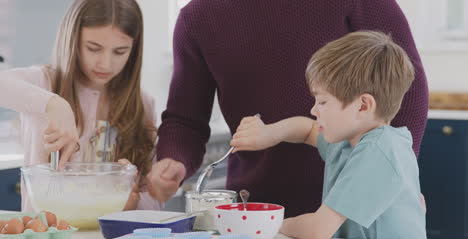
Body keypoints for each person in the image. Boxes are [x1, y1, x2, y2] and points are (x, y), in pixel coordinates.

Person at [150, 0, 428, 218]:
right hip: (255, 206)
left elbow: (407, 87)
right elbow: (185, 120)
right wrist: (174, 160)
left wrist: (394, 174)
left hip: (359, 203)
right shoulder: (198, 16)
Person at [231, 31, 428, 239]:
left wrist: (271, 224)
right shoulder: (348, 140)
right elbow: (307, 130)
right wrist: (270, 133)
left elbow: (318, 230)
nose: (314, 110)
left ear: (363, 105)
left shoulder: (379, 150)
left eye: (322, 102)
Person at [0, 0, 160, 212]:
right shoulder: (44, 83)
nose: (105, 64)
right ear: (72, 39)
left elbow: (152, 200)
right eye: (93, 48)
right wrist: (54, 104)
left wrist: (133, 202)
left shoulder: (142, 104)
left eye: (119, 52)